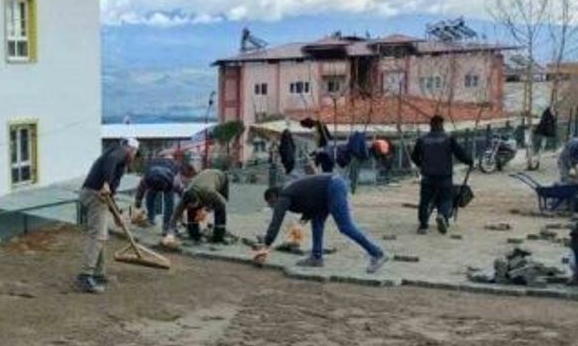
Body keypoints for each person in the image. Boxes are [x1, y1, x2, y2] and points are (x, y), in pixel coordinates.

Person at [255, 175, 390, 273]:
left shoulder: (284, 196)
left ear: (273, 196)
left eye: (270, 202)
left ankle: (377, 254)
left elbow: (276, 220)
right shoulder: (290, 192)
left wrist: (267, 244)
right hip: (324, 194)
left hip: (332, 187)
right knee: (317, 222)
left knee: (345, 226)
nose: (272, 206)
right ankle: (316, 257)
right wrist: (299, 226)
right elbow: (309, 204)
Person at [76, 138, 139, 293]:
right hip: (95, 194)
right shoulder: (119, 152)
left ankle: (98, 273)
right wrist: (105, 183)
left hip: (97, 195)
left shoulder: (118, 162)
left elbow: (111, 194)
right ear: (131, 150)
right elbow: (110, 164)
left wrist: (116, 214)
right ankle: (85, 275)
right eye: (135, 154)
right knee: (97, 235)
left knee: (101, 235)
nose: (133, 157)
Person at [410, 115, 474, 235]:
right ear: (441, 124)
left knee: (425, 201)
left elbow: (414, 157)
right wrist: (470, 161)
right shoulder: (448, 139)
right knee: (446, 198)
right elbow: (460, 153)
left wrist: (422, 165)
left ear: (431, 125)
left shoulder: (422, 139)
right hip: (444, 176)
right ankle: (442, 215)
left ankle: (423, 226)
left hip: (427, 176)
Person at [132, 157, 192, 235]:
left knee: (153, 197)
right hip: (158, 177)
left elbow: (140, 190)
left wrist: (138, 204)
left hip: (164, 177)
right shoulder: (148, 178)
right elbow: (181, 192)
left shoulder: (171, 181)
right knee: (168, 203)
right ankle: (165, 227)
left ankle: (152, 219)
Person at [171, 168, 230, 244]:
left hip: (220, 177)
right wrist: (170, 233)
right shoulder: (185, 197)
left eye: (193, 205)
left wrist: (206, 210)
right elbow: (174, 216)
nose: (192, 208)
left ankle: (218, 237)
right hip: (204, 180)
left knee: (220, 208)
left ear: (197, 199)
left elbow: (222, 202)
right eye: (189, 206)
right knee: (192, 211)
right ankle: (194, 235)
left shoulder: (209, 192)